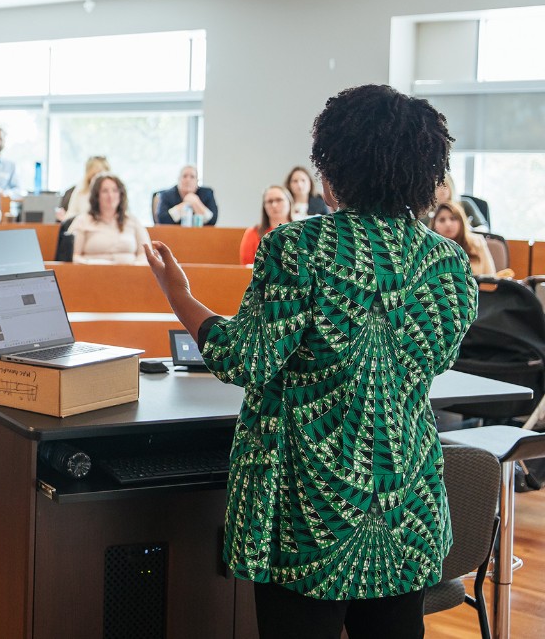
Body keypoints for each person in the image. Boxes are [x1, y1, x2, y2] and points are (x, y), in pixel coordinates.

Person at [145, 84, 477, 638]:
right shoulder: (446, 258)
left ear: (333, 171)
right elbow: (431, 358)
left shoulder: (298, 246)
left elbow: (245, 359)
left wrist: (180, 296)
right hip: (406, 505)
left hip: (310, 509)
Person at [67, 172, 150, 264]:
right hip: (92, 273)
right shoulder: (82, 220)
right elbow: (73, 255)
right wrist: (89, 263)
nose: (110, 196)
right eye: (105, 191)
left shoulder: (132, 220)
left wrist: (136, 267)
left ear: (120, 194)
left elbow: (145, 253)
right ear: (96, 196)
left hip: (130, 274)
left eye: (115, 190)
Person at [431, 200, 496, 277]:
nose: (448, 224)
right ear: (434, 225)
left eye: (453, 218)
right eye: (442, 220)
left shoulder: (477, 242)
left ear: (461, 222)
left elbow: (491, 277)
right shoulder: (428, 247)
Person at [239, 185, 293, 265]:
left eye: (279, 200)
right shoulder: (252, 233)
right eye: (270, 201)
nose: (274, 205)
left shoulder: (303, 231)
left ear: (289, 202)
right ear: (264, 206)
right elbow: (246, 267)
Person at [153, 164, 217, 226]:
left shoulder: (207, 194)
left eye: (192, 177)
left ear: (197, 181)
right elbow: (162, 219)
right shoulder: (166, 195)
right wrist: (185, 204)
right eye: (184, 176)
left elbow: (212, 221)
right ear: (179, 179)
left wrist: (196, 203)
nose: (188, 180)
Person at [61, 155, 111, 220]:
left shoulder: (114, 192)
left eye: (100, 175)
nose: (97, 179)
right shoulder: (81, 189)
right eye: (94, 175)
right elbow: (70, 215)